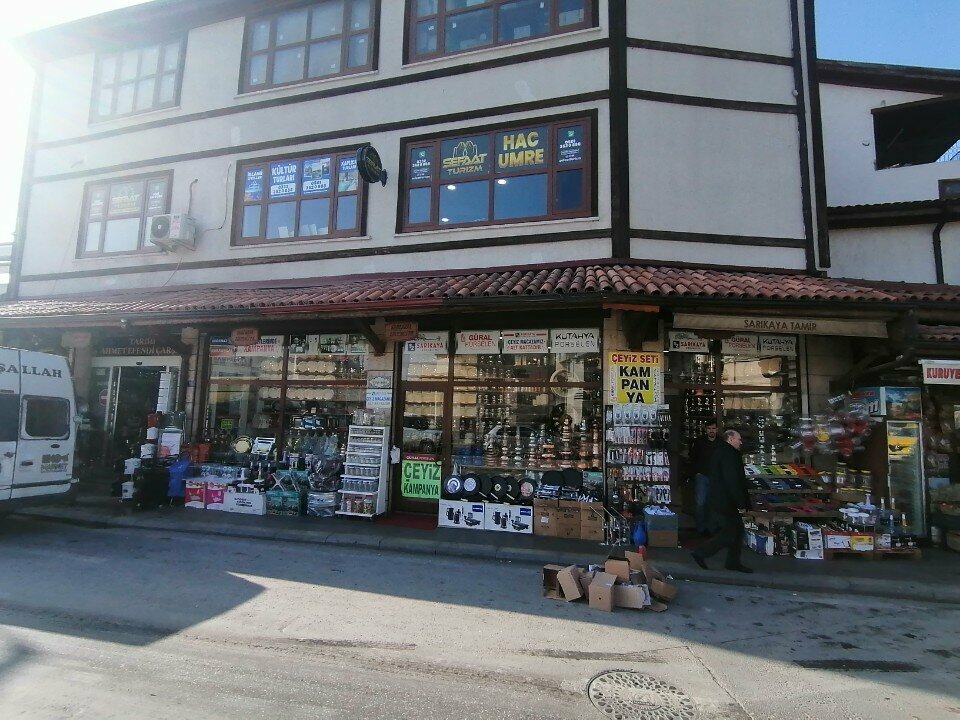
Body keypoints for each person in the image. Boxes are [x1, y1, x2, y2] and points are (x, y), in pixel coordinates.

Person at [691, 429, 753, 573]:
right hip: (725, 500)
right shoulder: (729, 455)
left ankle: (733, 562)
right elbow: (732, 480)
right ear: (730, 439)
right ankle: (701, 552)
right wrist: (741, 503)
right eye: (738, 439)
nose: (741, 442)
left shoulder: (720, 451)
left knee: (737, 531)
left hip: (721, 498)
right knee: (730, 533)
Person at [690, 421, 720, 536]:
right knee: (700, 503)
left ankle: (711, 528)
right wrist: (696, 472)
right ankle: (701, 528)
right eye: (709, 428)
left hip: (715, 477)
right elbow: (692, 457)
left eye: (713, 428)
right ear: (706, 429)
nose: (711, 430)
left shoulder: (721, 443)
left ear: (717, 429)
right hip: (702, 475)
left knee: (713, 503)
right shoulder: (699, 442)